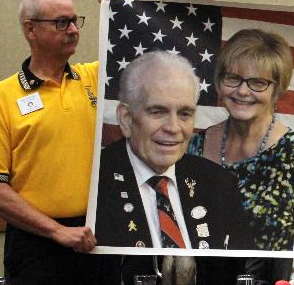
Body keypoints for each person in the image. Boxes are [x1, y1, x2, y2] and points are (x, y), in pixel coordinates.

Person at [0, 0, 123, 285]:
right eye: (61, 23)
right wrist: (57, 232)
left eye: (75, 21)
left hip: (96, 243)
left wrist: (117, 8)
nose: (73, 30)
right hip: (37, 248)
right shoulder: (3, 96)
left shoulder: (92, 80)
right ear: (30, 29)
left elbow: (147, 56)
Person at [95, 51, 253, 251]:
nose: (173, 127)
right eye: (158, 112)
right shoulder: (93, 184)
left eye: (184, 114)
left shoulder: (219, 185)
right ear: (126, 119)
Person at [188, 28, 294, 251]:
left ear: (277, 91)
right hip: (203, 282)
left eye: (258, 82)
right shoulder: (190, 148)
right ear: (219, 83)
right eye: (233, 78)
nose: (243, 91)